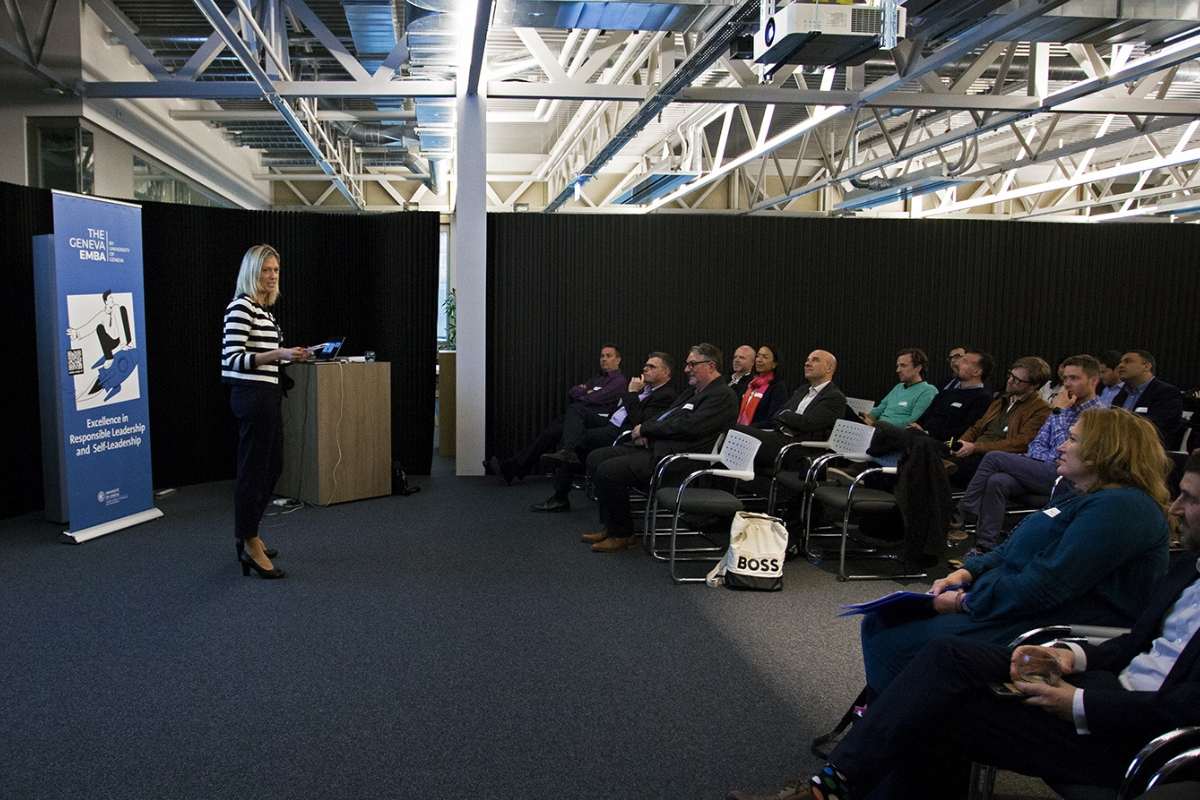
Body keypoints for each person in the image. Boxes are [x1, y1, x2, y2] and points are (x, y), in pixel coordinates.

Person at [727, 449, 1200, 800]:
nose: (1175, 508)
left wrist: (1077, 701)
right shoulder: (1190, 566)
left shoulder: (1124, 510)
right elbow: (1136, 643)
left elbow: (1181, 709)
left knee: (927, 707)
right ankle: (834, 785)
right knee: (941, 664)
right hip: (1101, 678)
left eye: (1191, 499)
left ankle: (829, 788)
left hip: (1135, 733)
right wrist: (1069, 656)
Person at [858, 407, 1171, 695]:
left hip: (1046, 621)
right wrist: (967, 572)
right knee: (881, 619)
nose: (1061, 446)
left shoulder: (1123, 508)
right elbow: (1011, 549)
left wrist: (966, 602)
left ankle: (897, 725)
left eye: (1073, 439)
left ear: (1105, 451)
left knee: (895, 642)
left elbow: (1045, 587)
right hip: (1010, 602)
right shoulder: (1080, 496)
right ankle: (886, 712)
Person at [582, 343, 738, 552]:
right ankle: (612, 526)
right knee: (596, 457)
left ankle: (622, 533)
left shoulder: (722, 395)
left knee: (608, 471)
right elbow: (666, 417)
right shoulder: (694, 392)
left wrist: (646, 429)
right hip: (658, 447)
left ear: (711, 365)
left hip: (677, 460)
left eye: (692, 364)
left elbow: (688, 427)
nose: (686, 369)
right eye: (687, 364)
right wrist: (646, 431)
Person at [955, 354, 1106, 556]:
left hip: (1071, 479)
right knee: (998, 480)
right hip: (1044, 469)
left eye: (1074, 378)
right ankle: (984, 547)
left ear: (1094, 380)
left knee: (994, 457)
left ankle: (964, 509)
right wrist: (1049, 457)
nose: (1067, 384)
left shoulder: (1098, 416)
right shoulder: (1063, 409)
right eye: (1065, 378)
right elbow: (1036, 444)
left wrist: (1059, 413)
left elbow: (1067, 452)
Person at [221, 244, 310, 580]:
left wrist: (292, 356)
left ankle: (250, 534)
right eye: (265, 270)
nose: (272, 276)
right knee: (254, 471)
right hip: (252, 396)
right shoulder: (241, 308)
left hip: (269, 395)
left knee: (272, 466)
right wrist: (278, 354)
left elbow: (267, 357)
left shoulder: (264, 312)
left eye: (275, 270)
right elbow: (232, 360)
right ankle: (249, 542)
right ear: (251, 273)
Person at [529, 352, 677, 513]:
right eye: (646, 365)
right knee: (575, 409)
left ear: (665, 372)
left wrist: (632, 393)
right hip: (609, 421)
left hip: (621, 433)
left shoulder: (665, 395)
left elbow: (640, 421)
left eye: (651, 367)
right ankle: (568, 452)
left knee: (572, 438)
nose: (645, 368)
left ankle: (560, 497)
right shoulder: (645, 388)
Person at [487, 344, 625, 484]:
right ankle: (511, 469)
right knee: (548, 433)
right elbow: (573, 391)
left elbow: (596, 398)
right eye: (602, 356)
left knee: (573, 410)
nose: (604, 359)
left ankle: (564, 453)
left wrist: (587, 392)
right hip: (580, 417)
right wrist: (587, 392)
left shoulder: (619, 381)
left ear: (617, 360)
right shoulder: (598, 378)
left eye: (608, 356)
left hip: (599, 420)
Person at [731, 350, 845, 474]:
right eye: (807, 360)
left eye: (815, 360)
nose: (807, 363)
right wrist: (789, 418)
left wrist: (786, 416)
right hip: (779, 437)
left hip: (797, 449)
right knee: (731, 432)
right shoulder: (803, 390)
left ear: (829, 368)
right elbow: (776, 416)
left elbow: (805, 423)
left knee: (733, 431)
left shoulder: (834, 397)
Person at [947, 356, 1052, 488]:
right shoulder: (1001, 401)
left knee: (939, 468)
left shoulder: (1041, 409)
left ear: (1034, 385)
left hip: (995, 458)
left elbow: (1020, 443)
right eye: (1011, 375)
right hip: (974, 451)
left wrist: (975, 447)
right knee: (927, 447)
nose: (1010, 381)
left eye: (1017, 380)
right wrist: (961, 444)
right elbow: (976, 427)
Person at [905, 348, 994, 442]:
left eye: (964, 362)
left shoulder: (983, 399)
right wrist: (914, 427)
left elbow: (966, 432)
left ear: (976, 372)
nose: (957, 363)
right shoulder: (945, 393)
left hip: (943, 443)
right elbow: (923, 419)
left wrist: (926, 433)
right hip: (920, 438)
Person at [1113, 349, 1184, 448]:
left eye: (1127, 361)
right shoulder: (1122, 394)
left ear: (1146, 366)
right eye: (1120, 362)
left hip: (1148, 449)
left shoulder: (1167, 393)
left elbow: (1156, 428)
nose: (1120, 365)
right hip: (1118, 447)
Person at [861, 349, 937, 429]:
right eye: (898, 366)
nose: (898, 370)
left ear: (918, 368)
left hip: (896, 433)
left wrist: (874, 424)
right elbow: (879, 410)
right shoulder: (898, 387)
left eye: (903, 366)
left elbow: (913, 422)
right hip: (878, 429)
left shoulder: (928, 391)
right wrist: (866, 418)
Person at [736, 345, 789, 429]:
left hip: (759, 432)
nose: (759, 360)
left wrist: (746, 429)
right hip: (740, 430)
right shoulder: (750, 383)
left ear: (774, 364)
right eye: (758, 356)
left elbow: (773, 419)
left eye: (764, 357)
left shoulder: (778, 387)